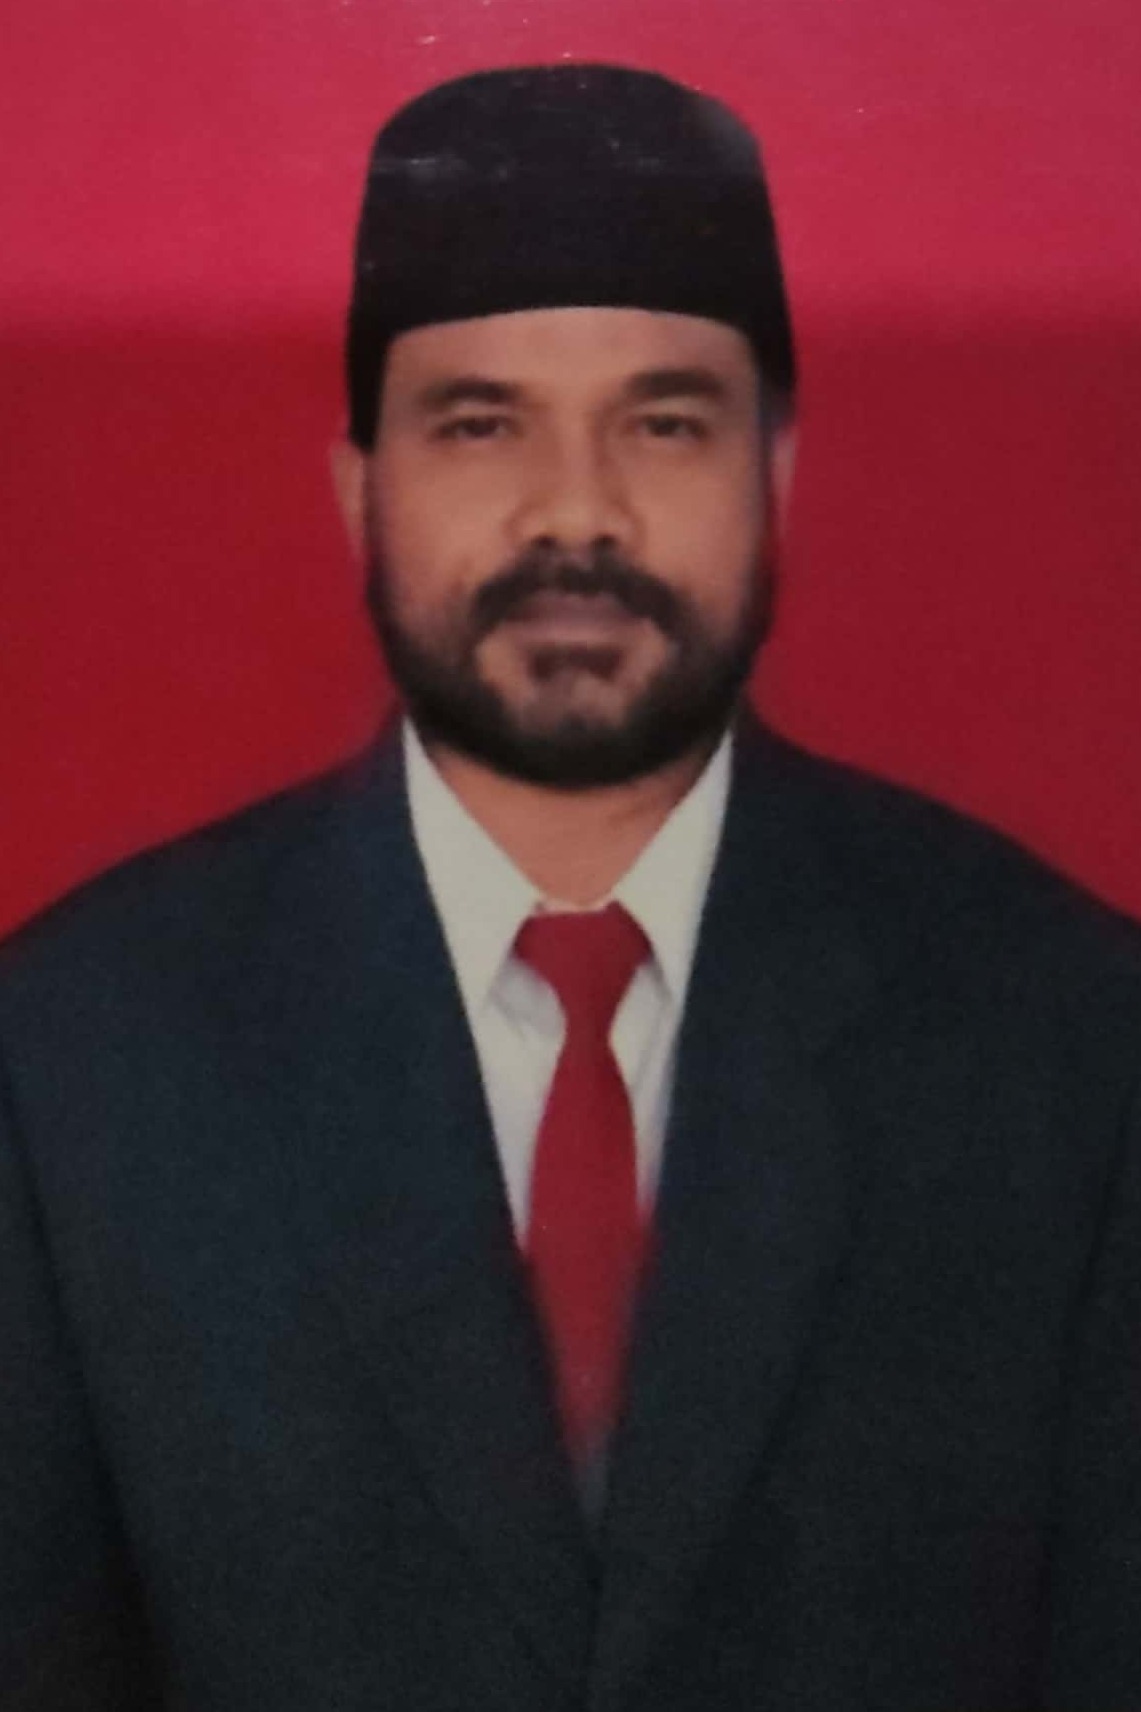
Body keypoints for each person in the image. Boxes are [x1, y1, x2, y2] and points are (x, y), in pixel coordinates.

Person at [1, 62, 1139, 1712]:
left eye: (663, 422)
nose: (577, 514)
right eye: (480, 424)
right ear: (358, 490)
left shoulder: (1071, 1038)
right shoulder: (74, 1056)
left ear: (777, 473)